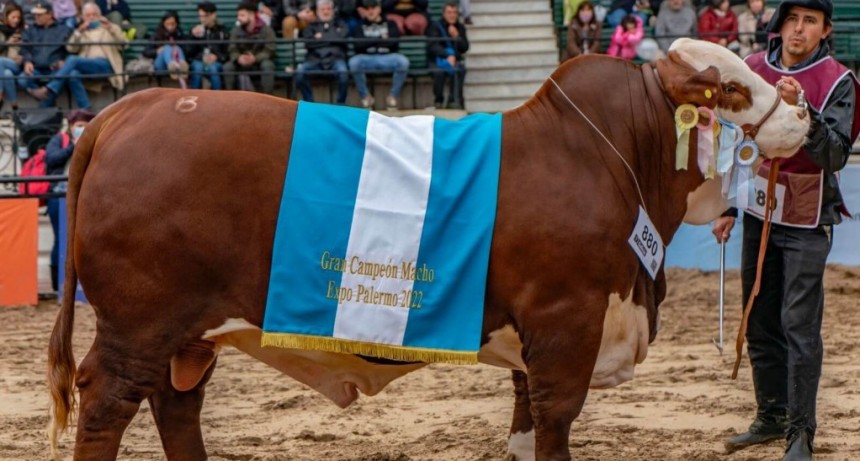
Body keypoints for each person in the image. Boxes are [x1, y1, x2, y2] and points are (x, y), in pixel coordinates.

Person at [714, 1, 860, 459]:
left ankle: (801, 432)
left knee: (799, 325)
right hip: (757, 208)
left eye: (810, 21)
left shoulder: (839, 80)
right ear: (779, 24)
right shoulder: (752, 68)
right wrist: (729, 209)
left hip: (809, 215)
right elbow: (735, 141)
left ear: (825, 29)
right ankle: (771, 415)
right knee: (758, 316)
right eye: (792, 19)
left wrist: (805, 112)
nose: (798, 29)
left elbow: (835, 155)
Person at [28, 2, 127, 109]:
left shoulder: (110, 28)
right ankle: (85, 108)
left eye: (94, 15)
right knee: (72, 74)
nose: (92, 18)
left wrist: (111, 28)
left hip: (106, 65)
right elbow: (70, 48)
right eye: (88, 15)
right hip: (87, 67)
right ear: (83, 18)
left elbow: (124, 44)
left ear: (100, 15)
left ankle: (48, 91)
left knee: (72, 60)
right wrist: (79, 32)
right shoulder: (81, 32)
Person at [45, 108, 95, 292]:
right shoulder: (59, 140)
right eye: (80, 126)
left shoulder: (94, 142)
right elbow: (51, 159)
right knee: (60, 239)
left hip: (84, 196)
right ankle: (56, 285)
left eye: (86, 126)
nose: (82, 129)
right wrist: (73, 146)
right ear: (71, 126)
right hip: (58, 196)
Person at [348, 0, 408, 110]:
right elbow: (358, 45)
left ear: (379, 9)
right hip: (367, 58)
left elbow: (394, 42)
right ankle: (366, 97)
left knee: (403, 61)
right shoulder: (358, 26)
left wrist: (369, 41)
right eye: (367, 9)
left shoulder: (390, 24)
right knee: (354, 62)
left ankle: (392, 97)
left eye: (373, 8)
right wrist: (381, 39)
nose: (370, 11)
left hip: (387, 57)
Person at [17, 3, 73, 107]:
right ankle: (39, 94)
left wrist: (63, 59)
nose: (36, 17)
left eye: (40, 14)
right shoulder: (30, 30)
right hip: (36, 68)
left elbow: (71, 49)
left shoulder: (64, 30)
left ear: (50, 14)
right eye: (35, 14)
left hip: (55, 69)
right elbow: (24, 48)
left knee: (65, 74)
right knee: (22, 78)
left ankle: (44, 106)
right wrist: (27, 61)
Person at [295, 0, 349, 104]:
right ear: (317, 11)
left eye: (328, 9)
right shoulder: (311, 26)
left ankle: (340, 105)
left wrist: (320, 38)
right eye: (322, 9)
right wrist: (333, 38)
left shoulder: (341, 24)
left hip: (336, 58)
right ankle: (310, 103)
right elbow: (308, 43)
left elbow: (342, 39)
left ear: (333, 11)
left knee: (343, 73)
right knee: (300, 72)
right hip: (315, 59)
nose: (326, 12)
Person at [224, 1, 277, 94]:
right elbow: (232, 48)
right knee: (228, 67)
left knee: (268, 65)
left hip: (258, 62)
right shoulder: (235, 30)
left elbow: (270, 49)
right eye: (238, 15)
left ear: (252, 15)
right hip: (241, 63)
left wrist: (255, 58)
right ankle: (231, 97)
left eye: (242, 15)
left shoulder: (266, 30)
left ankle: (267, 98)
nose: (238, 18)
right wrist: (238, 58)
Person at [426, 1, 468, 109]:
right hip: (437, 60)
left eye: (455, 12)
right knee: (438, 72)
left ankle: (453, 100)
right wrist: (447, 55)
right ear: (444, 14)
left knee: (459, 70)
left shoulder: (460, 27)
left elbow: (465, 48)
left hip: (454, 61)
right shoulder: (435, 26)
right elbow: (432, 46)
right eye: (449, 12)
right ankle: (438, 101)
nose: (452, 15)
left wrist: (457, 37)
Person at [187, 1, 228, 90]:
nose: (202, 19)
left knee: (213, 69)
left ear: (213, 15)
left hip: (216, 62)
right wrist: (193, 37)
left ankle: (217, 97)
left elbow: (226, 52)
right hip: (199, 61)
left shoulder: (222, 31)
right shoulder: (195, 29)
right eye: (200, 16)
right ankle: (194, 96)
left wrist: (216, 57)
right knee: (198, 67)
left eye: (205, 16)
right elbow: (189, 53)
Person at [143, 10, 189, 80]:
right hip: (160, 65)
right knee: (166, 47)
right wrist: (157, 51)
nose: (170, 27)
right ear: (163, 23)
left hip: (177, 62)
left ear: (176, 24)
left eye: (172, 24)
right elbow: (146, 52)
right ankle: (172, 65)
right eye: (167, 24)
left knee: (176, 47)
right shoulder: (157, 34)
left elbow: (187, 50)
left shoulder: (179, 34)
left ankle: (182, 66)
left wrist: (176, 44)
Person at [0, 2, 24, 111]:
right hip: (3, 68)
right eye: (13, 17)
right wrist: (6, 43)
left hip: (18, 65)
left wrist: (23, 56)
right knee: (7, 74)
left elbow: (31, 49)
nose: (16, 20)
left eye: (18, 17)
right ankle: (14, 105)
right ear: (6, 17)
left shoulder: (24, 31)